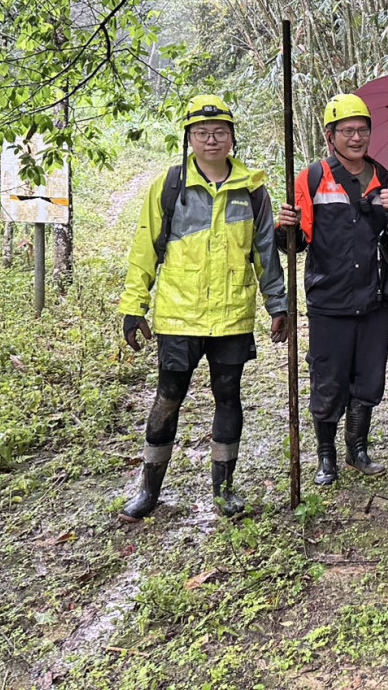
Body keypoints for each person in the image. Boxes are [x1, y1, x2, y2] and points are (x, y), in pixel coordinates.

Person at [118, 94, 289, 521]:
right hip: (179, 315)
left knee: (228, 396)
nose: (211, 140)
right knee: (168, 397)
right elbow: (145, 250)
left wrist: (278, 304)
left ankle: (225, 490)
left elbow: (265, 252)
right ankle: (149, 490)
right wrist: (134, 306)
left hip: (232, 317)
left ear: (232, 137)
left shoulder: (252, 190)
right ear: (189, 138)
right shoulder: (170, 186)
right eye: (201, 133)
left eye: (219, 132)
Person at [276, 93, 388, 487]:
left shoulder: (384, 178)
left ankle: (358, 448)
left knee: (369, 378)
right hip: (328, 300)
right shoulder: (313, 177)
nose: (356, 138)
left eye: (362, 130)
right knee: (328, 380)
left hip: (372, 299)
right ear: (330, 135)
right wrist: (285, 226)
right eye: (347, 131)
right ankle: (326, 456)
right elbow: (298, 243)